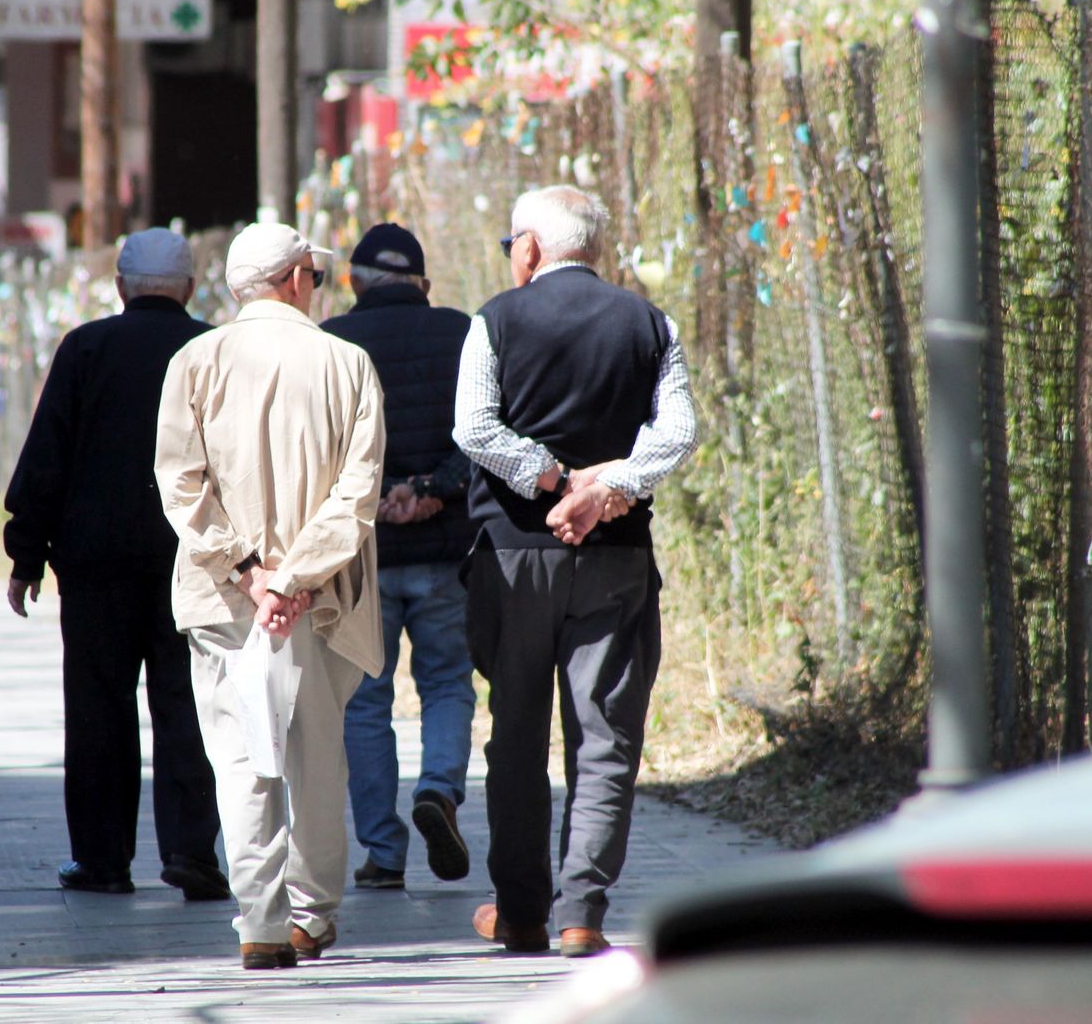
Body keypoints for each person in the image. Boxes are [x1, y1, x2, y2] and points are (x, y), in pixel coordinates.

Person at [453, 185, 697, 958]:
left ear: (529, 247)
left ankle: (521, 909)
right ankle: (581, 911)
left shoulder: (494, 319)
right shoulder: (649, 323)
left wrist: (554, 480)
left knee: (516, 732)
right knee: (605, 734)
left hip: (512, 557)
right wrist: (609, 487)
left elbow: (473, 428)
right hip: (616, 561)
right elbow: (679, 433)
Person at [154, 222, 386, 970]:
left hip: (225, 602)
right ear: (293, 279)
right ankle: (310, 916)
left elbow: (181, 484)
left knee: (241, 754)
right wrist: (292, 578)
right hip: (319, 601)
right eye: (313, 276)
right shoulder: (347, 363)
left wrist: (248, 573)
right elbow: (358, 493)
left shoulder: (196, 360)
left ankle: (259, 918)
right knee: (318, 754)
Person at [2, 228, 230, 904]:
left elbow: (48, 458)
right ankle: (193, 851)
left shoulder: (87, 348)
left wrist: (26, 553)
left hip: (95, 560)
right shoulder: (212, 348)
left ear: (121, 286)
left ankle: (102, 860)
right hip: (190, 555)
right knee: (187, 705)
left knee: (100, 708)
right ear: (189, 287)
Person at [321, 223, 479, 890]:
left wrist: (378, 497)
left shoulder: (330, 343)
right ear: (425, 284)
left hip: (364, 556)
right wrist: (432, 491)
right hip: (445, 551)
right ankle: (438, 789)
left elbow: (321, 449)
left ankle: (383, 854)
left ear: (354, 282)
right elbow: (483, 432)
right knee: (446, 682)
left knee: (365, 701)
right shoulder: (461, 332)